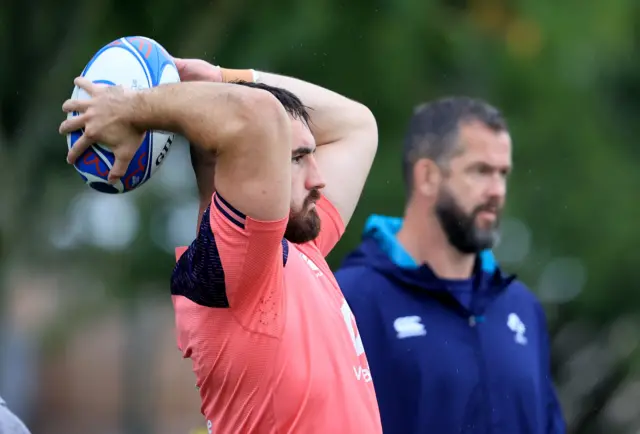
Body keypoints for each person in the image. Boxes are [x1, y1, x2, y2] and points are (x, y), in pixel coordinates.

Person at [59, 60, 381, 434]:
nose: (319, 177)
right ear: (229, 162)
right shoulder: (241, 264)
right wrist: (130, 108)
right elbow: (256, 117)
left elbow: (356, 125)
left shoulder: (297, 245)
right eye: (297, 158)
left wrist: (224, 79)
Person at [335, 97, 565, 434]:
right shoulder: (350, 301)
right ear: (427, 175)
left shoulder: (522, 307)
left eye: (503, 174)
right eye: (480, 171)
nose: (497, 191)